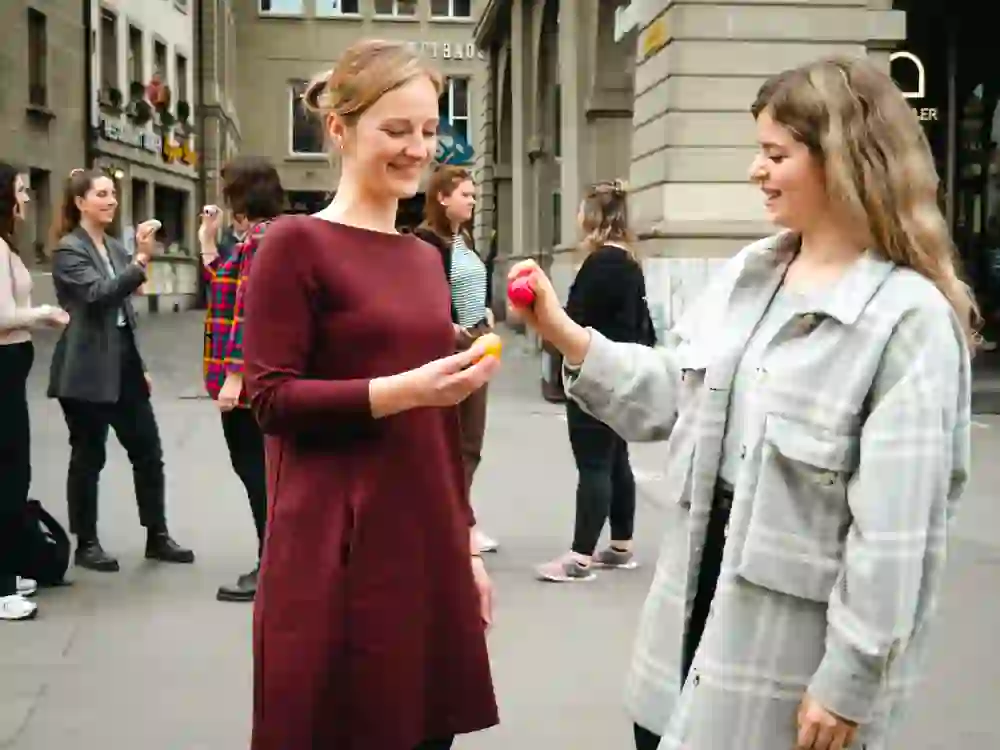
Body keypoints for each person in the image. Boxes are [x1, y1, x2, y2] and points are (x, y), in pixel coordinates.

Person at [509, 56, 974, 750]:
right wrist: (566, 337)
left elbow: (895, 537)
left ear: (843, 161)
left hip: (787, 670)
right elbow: (671, 394)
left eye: (775, 154)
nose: (756, 172)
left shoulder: (908, 322)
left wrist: (848, 681)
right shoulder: (751, 275)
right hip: (683, 645)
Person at [242, 40, 500, 750]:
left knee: (423, 732)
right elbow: (270, 399)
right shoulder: (295, 243)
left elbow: (439, 428)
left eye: (427, 130)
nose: (418, 149)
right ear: (340, 129)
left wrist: (467, 547)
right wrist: (403, 390)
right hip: (335, 544)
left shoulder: (424, 257)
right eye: (396, 130)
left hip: (421, 537)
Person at [48, 169, 194, 573]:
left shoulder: (113, 247)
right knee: (88, 456)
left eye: (113, 194)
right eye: (101, 194)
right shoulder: (68, 250)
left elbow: (124, 310)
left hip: (123, 364)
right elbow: (97, 297)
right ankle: (87, 543)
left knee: (148, 451)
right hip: (85, 368)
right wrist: (141, 260)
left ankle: (157, 535)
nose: (111, 201)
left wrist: (139, 364)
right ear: (80, 202)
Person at [535, 179, 656, 583]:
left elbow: (572, 319)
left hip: (595, 372)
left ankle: (579, 557)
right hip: (624, 370)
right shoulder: (629, 261)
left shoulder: (600, 263)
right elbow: (645, 327)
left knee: (594, 463)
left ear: (592, 216)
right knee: (616, 458)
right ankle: (620, 545)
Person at [198, 156, 285, 602]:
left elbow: (247, 312)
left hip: (249, 387)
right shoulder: (261, 238)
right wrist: (208, 245)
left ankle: (272, 567)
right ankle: (275, 562)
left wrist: (235, 376)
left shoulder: (262, 241)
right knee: (258, 473)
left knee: (258, 475)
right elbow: (226, 287)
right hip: (253, 381)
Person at [414, 166, 499, 554]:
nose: (473, 200)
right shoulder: (425, 242)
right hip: (450, 347)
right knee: (452, 438)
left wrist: (484, 313)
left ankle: (458, 516)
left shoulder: (462, 238)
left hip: (477, 340)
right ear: (442, 197)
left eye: (474, 195)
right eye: (466, 194)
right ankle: (453, 524)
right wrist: (451, 329)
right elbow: (421, 297)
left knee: (470, 438)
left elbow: (470, 285)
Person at [0, 163, 70, 621]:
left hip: (10, 372)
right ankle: (3, 585)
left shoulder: (6, 246)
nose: (25, 197)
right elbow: (3, 316)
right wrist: (43, 313)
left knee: (13, 471)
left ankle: (9, 568)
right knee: (8, 474)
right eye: (21, 190)